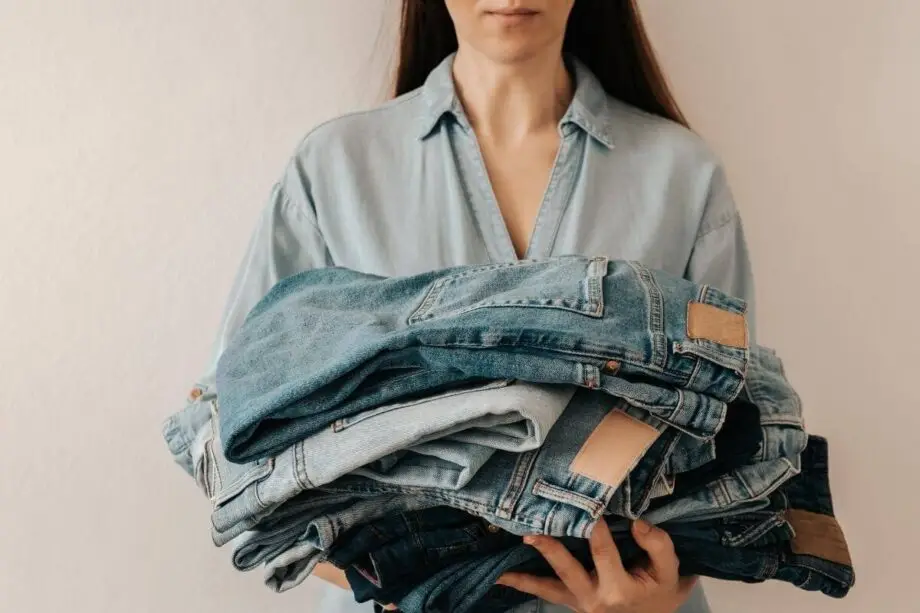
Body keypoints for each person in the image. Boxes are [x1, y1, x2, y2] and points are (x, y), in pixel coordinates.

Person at [201, 1, 755, 611]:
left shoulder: (683, 173)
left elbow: (738, 425)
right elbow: (232, 432)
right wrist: (404, 578)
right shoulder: (334, 169)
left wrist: (661, 597)